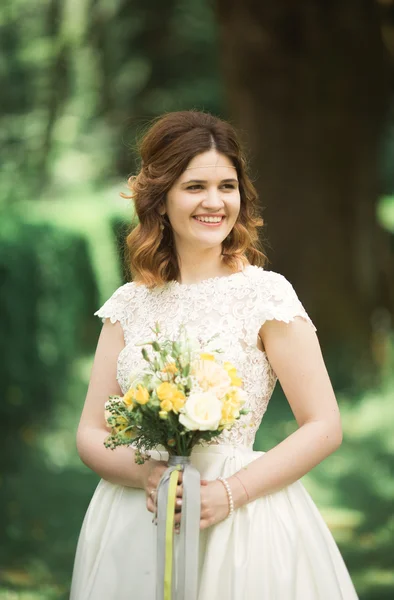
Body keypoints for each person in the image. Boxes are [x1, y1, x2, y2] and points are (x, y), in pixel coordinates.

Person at [70, 110, 358, 599]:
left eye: (227, 186)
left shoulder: (266, 296)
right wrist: (152, 475)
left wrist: (229, 494)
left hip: (242, 517)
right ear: (160, 200)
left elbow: (324, 425)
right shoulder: (129, 305)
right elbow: (90, 432)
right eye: (194, 186)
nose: (214, 202)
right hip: (138, 516)